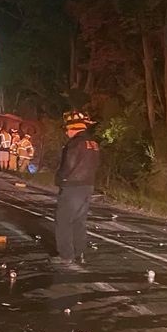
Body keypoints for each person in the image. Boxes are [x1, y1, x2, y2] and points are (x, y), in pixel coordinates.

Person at [53, 111, 100, 265]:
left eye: (67, 129)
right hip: (88, 185)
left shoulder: (74, 144)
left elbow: (68, 165)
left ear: (73, 128)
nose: (66, 132)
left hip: (72, 186)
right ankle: (80, 252)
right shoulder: (93, 143)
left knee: (64, 220)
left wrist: (60, 179)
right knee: (79, 221)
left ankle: (66, 256)